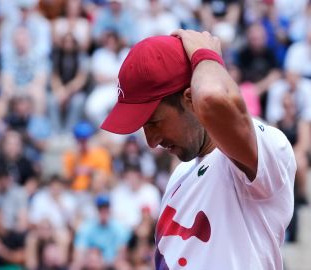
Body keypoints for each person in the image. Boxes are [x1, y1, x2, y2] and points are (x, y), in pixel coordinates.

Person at [100, 32, 296, 269]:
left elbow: (213, 98)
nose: (151, 141)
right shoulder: (179, 175)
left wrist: (205, 56)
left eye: (153, 122)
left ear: (191, 98)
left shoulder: (267, 147)